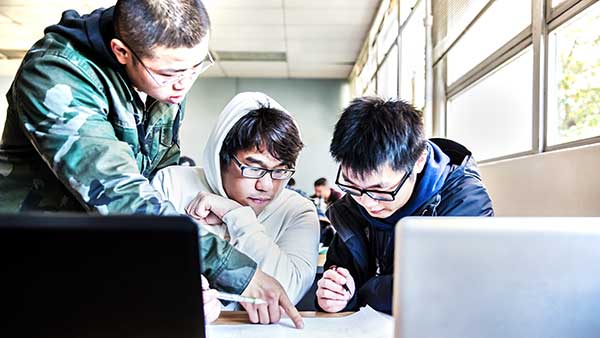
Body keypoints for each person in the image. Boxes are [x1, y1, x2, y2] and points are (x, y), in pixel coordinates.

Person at [0, 1, 302, 328]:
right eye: (169, 73)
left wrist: (180, 264)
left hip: (103, 262)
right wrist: (237, 271)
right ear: (121, 51)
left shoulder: (163, 81)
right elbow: (121, 195)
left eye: (196, 67)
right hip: (32, 265)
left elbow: (159, 176)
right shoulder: (56, 72)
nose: (183, 85)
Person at [316, 97, 494, 314]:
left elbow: (441, 291)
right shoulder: (353, 204)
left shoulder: (465, 202)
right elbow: (341, 275)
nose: (368, 202)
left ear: (418, 160)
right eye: (351, 186)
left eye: (381, 190)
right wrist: (336, 295)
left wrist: (362, 291)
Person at [151, 92, 319, 315]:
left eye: (280, 171)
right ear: (221, 156)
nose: (267, 185)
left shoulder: (298, 210)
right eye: (254, 168)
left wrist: (237, 215)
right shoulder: (172, 183)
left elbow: (285, 294)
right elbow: (148, 271)